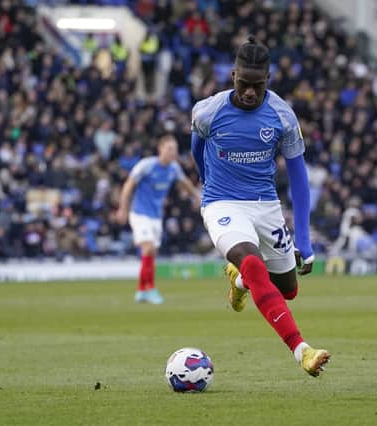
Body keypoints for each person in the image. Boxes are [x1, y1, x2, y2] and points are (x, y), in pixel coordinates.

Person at [190, 36, 330, 377]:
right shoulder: (209, 111)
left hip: (265, 205)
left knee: (288, 290)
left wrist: (305, 240)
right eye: (243, 84)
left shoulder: (282, 116)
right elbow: (196, 150)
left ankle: (238, 285)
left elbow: (298, 177)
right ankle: (302, 350)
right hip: (223, 203)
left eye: (257, 85)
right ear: (233, 75)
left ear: (267, 79)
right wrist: (209, 186)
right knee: (252, 262)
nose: (249, 92)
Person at [116, 134, 200, 304]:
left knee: (151, 253)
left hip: (156, 216)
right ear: (160, 149)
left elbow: (185, 183)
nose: (173, 152)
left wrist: (197, 197)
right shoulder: (146, 166)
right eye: (169, 149)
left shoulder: (173, 168)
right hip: (140, 213)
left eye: (175, 149)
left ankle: (141, 290)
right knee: (148, 249)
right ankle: (151, 289)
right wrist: (123, 209)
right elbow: (128, 186)